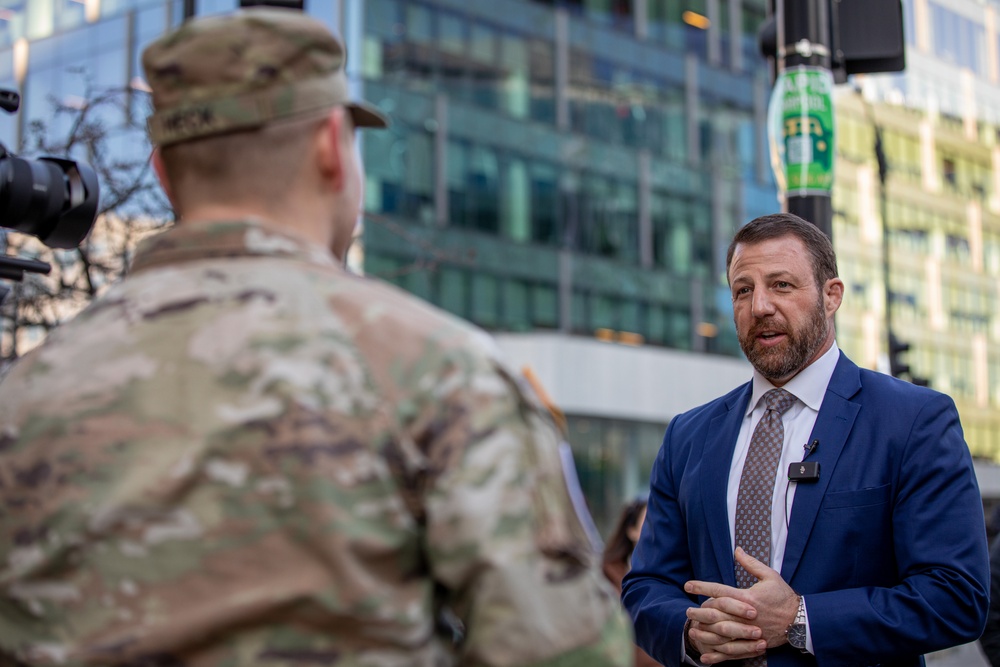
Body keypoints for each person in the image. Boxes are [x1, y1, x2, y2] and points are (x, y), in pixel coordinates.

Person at [0, 9, 633, 666]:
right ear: (332, 144)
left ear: (161, 171)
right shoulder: (439, 371)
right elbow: (563, 649)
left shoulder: (29, 390)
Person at [622, 212, 989, 667]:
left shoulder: (913, 420)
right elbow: (645, 587)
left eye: (781, 285)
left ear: (831, 296)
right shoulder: (689, 435)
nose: (759, 307)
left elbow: (956, 596)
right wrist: (692, 632)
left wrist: (800, 619)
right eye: (743, 290)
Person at [603, 498, 662, 667]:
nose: (660, 528)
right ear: (631, 530)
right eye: (650, 520)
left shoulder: (685, 578)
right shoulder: (605, 578)